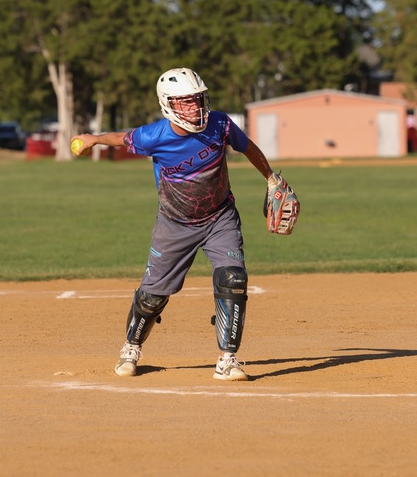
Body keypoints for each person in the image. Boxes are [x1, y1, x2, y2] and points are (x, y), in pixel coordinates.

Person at [72, 67, 297, 381]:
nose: (194, 107)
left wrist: (272, 180)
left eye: (197, 99)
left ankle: (227, 360)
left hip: (220, 216)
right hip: (174, 223)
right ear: (168, 105)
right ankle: (131, 346)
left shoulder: (219, 124)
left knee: (233, 279)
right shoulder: (155, 136)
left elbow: (248, 148)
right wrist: (93, 139)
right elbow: (122, 138)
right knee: (152, 297)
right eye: (184, 102)